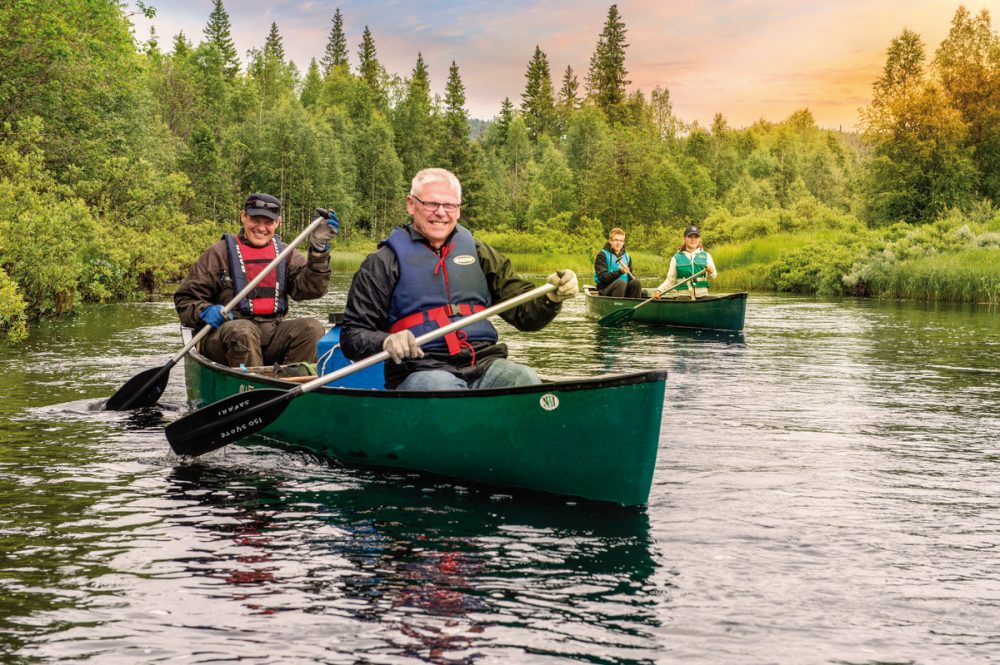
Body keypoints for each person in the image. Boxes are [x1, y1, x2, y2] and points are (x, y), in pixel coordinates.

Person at [340, 167, 578, 391]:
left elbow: (526, 316)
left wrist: (551, 298)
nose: (441, 212)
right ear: (411, 205)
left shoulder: (480, 253)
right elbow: (352, 335)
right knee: (442, 387)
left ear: (459, 209)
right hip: (421, 368)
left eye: (449, 205)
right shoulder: (382, 262)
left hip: (484, 364)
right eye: (432, 203)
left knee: (523, 378)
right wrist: (386, 340)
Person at [174, 192, 339, 368]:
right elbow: (184, 300)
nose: (261, 228)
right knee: (242, 330)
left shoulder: (286, 253)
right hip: (224, 337)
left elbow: (311, 290)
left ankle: (289, 381)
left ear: (277, 223)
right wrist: (205, 311)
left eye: (268, 222)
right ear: (244, 217)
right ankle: (251, 385)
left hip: (270, 335)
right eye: (255, 220)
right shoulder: (218, 254)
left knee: (312, 329)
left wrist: (318, 251)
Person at [653, 225, 718, 299]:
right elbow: (670, 280)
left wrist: (711, 271)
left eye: (695, 237)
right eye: (690, 237)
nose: (693, 239)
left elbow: (714, 276)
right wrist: (659, 290)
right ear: (684, 238)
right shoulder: (676, 257)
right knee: (683, 299)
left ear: (699, 239)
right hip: (682, 296)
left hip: (702, 295)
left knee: (712, 299)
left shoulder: (706, 255)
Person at [594, 227, 642, 298]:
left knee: (636, 283)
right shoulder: (602, 255)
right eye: (616, 240)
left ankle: (635, 306)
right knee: (620, 283)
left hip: (622, 289)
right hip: (605, 289)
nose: (618, 243)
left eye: (621, 240)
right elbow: (602, 277)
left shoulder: (627, 257)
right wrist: (620, 272)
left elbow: (630, 278)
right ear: (610, 241)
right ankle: (618, 306)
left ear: (623, 242)